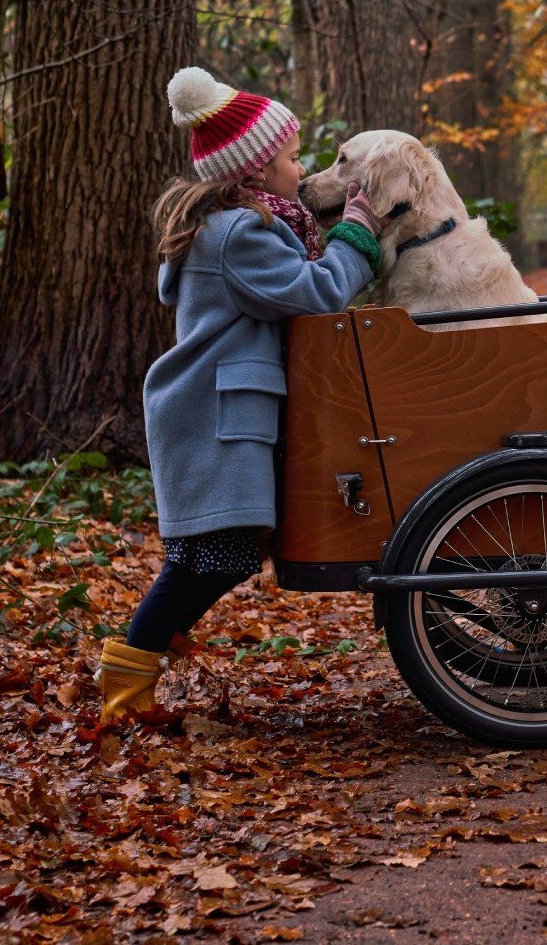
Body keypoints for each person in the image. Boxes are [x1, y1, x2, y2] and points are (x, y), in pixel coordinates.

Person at [95, 67, 383, 722]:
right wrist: (356, 234)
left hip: (210, 410)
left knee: (208, 556)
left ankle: (133, 673)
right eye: (288, 156)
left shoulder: (238, 227)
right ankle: (127, 678)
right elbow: (315, 292)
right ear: (253, 174)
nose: (299, 164)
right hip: (214, 416)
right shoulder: (240, 236)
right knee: (212, 558)